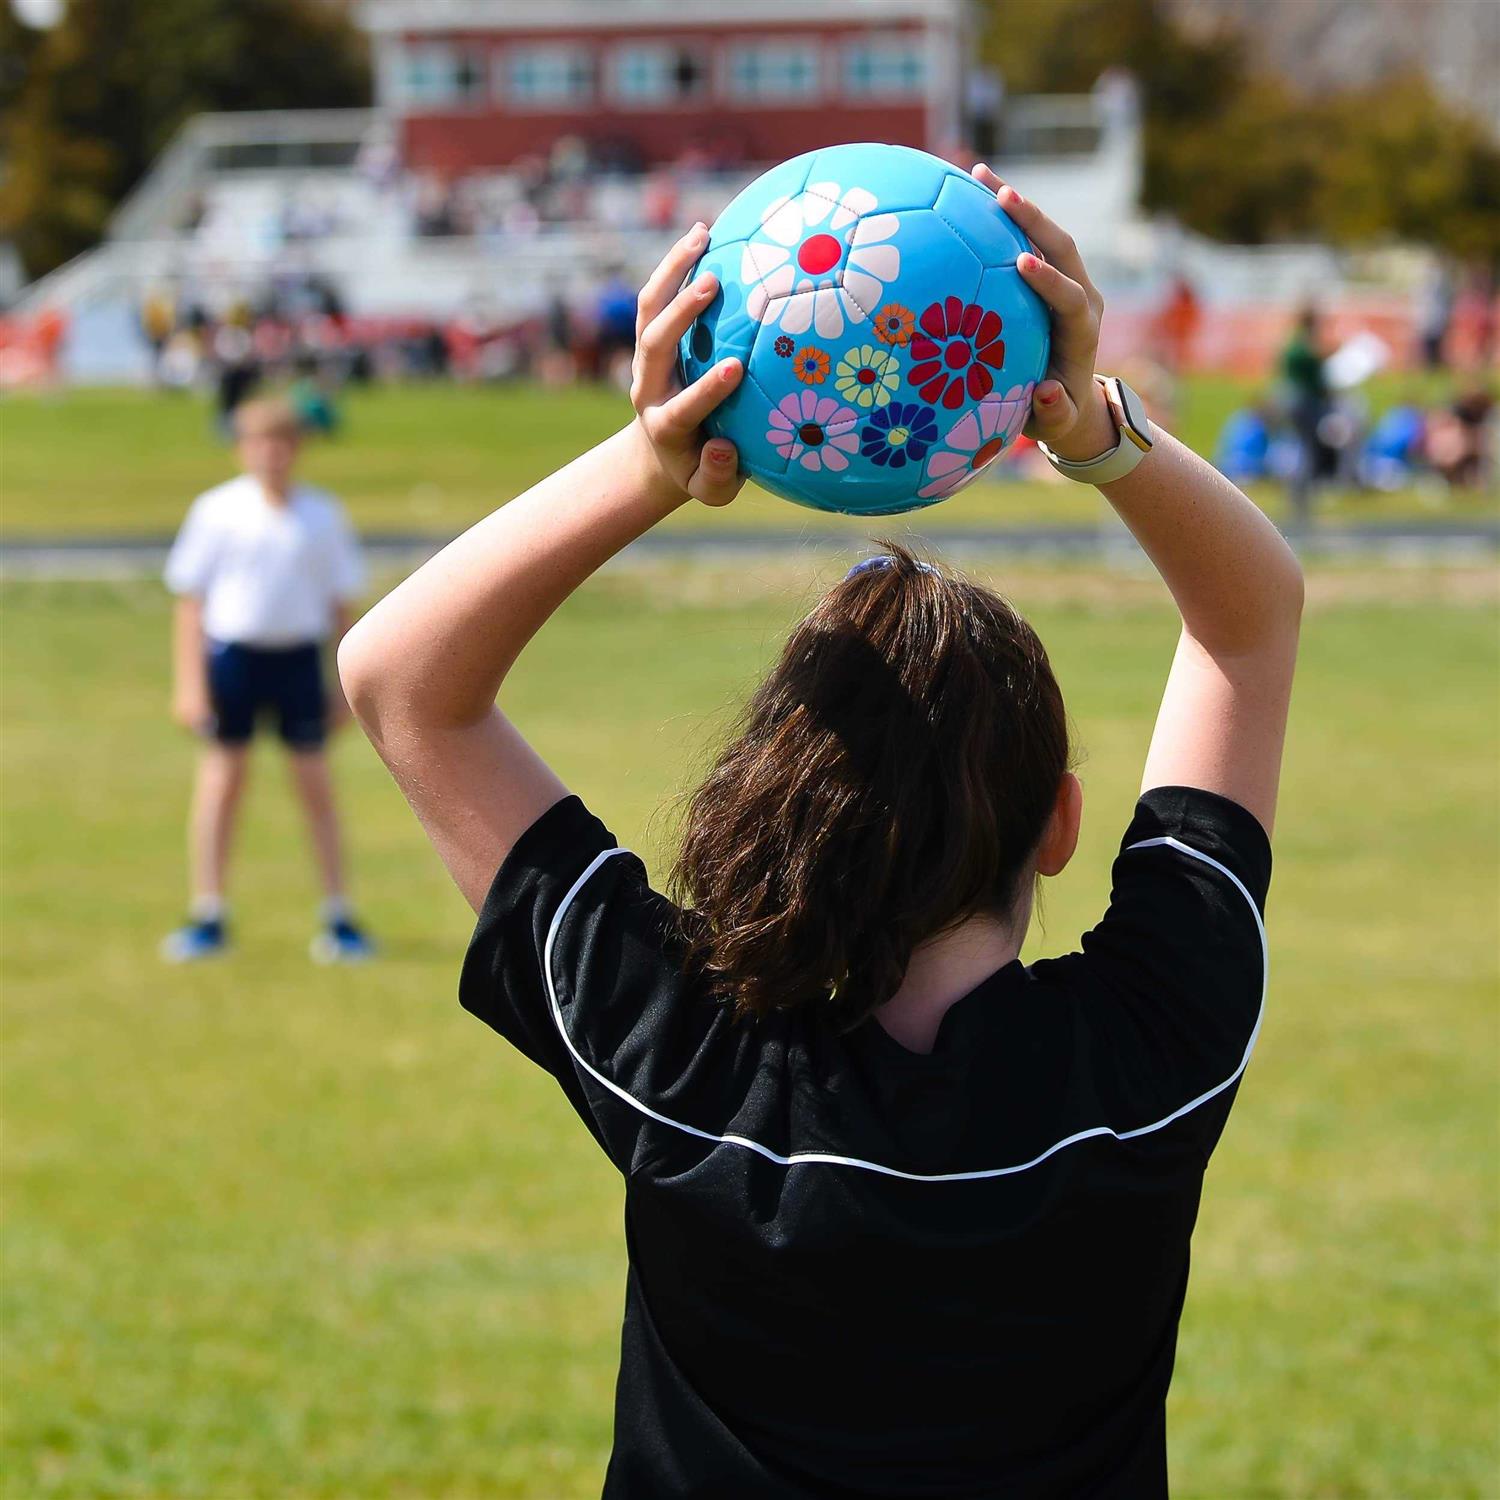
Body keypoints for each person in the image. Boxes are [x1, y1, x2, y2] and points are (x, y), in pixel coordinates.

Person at [338, 172, 1303, 1496]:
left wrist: (658, 456)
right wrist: (1097, 432)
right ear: (1061, 824)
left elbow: (402, 682)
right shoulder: (1154, 1053)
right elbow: (1250, 622)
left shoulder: (681, 1060)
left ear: (762, 806)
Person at [162, 398, 374, 964]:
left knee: (315, 786)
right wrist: (190, 684)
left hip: (298, 661)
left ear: (297, 449)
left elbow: (341, 607)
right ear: (242, 449)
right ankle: (208, 912)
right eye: (258, 442)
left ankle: (338, 914)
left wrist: (343, 686)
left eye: (282, 443)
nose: (271, 454)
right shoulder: (216, 511)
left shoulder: (321, 515)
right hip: (233, 661)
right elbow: (191, 603)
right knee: (222, 783)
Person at [1278, 304, 1330, 524]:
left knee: (1297, 446)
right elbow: (1317, 376)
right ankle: (1300, 496)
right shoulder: (1304, 348)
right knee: (1305, 449)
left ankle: (1297, 494)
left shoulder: (1293, 345)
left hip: (1291, 400)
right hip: (1304, 403)